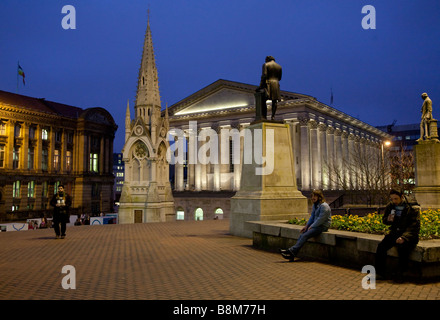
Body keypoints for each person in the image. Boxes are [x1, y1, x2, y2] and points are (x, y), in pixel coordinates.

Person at [375, 189, 420, 281]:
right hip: (395, 233)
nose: (394, 201)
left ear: (402, 197)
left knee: (402, 248)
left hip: (408, 235)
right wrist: (388, 220)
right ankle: (380, 272)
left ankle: (402, 273)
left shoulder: (411, 207)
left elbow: (414, 226)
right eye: (392, 199)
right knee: (381, 247)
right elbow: (385, 220)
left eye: (396, 199)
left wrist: (404, 237)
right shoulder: (391, 206)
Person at [279, 190, 332, 261]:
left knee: (305, 235)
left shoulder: (324, 206)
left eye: (315, 196)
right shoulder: (315, 205)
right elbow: (312, 216)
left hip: (322, 226)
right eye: (312, 196)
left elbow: (321, 219)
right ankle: (292, 254)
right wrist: (306, 226)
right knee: (302, 234)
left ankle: (291, 251)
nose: (313, 198)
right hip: (316, 226)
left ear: (319, 197)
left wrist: (312, 226)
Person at [258, 56, 282, 120]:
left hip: (268, 83)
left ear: (267, 59)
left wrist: (260, 86)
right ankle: (273, 116)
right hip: (276, 84)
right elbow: (280, 78)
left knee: (263, 100)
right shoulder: (279, 66)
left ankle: (264, 116)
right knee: (274, 101)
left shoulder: (265, 65)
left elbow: (264, 75)